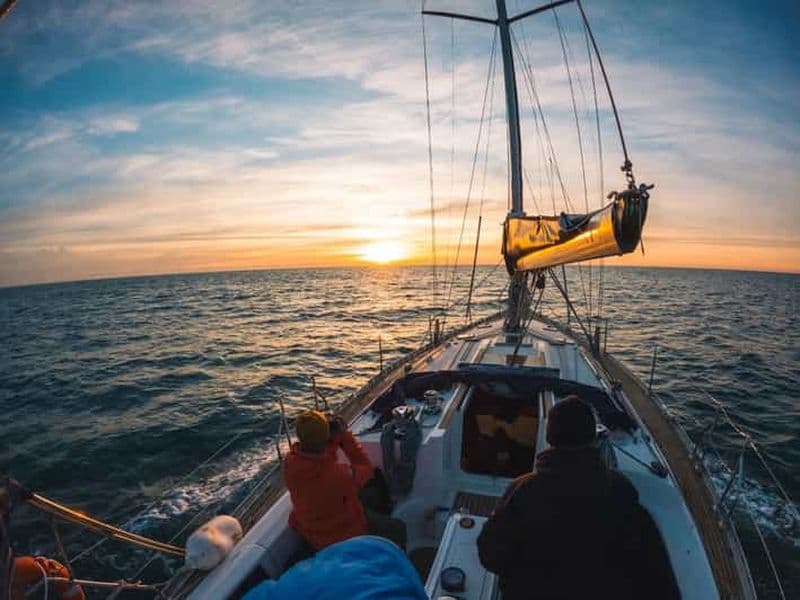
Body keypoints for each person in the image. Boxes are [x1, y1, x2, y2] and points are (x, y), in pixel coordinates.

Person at [477, 395, 680, 600]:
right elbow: (652, 573)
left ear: (549, 437)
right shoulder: (621, 491)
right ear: (592, 437)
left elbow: (490, 557)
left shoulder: (521, 490)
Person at [284, 410, 406, 552]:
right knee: (398, 528)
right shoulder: (341, 475)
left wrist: (332, 440)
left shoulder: (290, 463)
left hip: (310, 528)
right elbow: (366, 469)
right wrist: (345, 437)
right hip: (342, 534)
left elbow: (319, 456)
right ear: (325, 437)